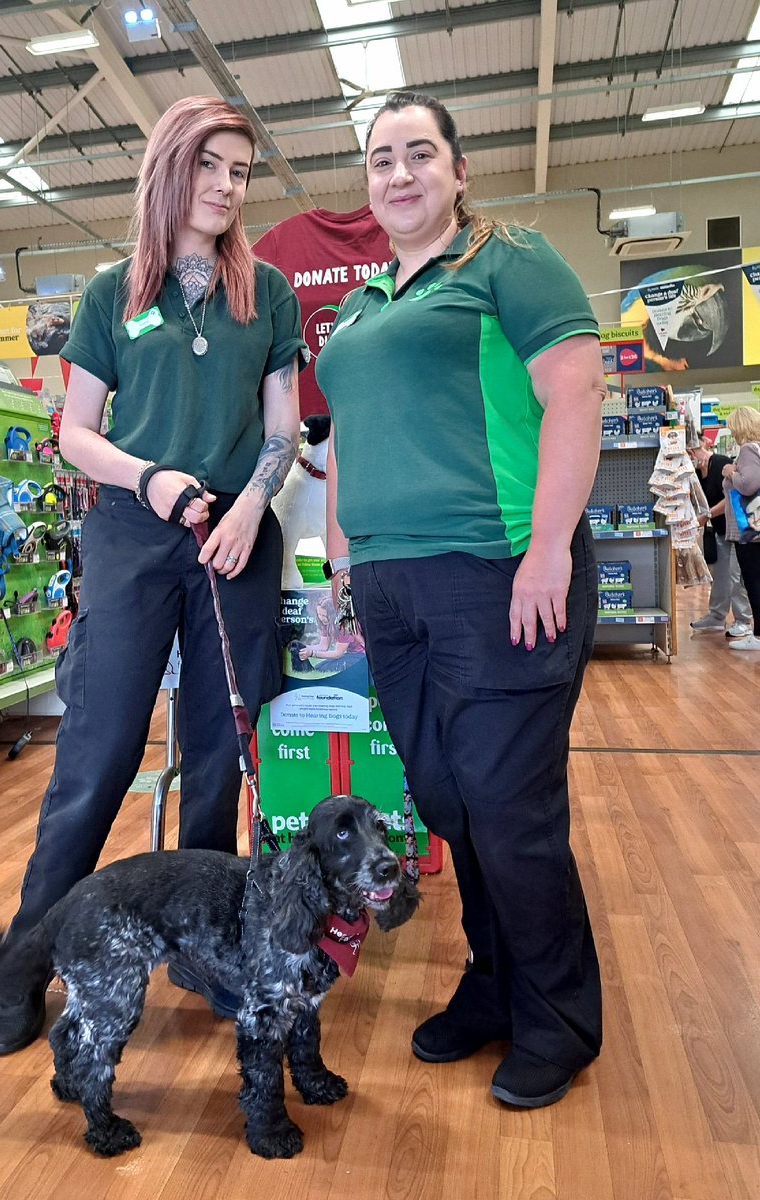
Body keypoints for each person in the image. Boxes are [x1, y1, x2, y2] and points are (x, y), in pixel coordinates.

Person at [0, 95, 305, 1055]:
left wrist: (252, 504)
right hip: (130, 531)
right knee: (96, 761)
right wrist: (149, 477)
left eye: (240, 172)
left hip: (234, 536)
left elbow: (283, 426)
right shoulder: (110, 291)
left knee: (216, 760)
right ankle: (21, 974)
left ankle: (206, 956)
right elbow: (76, 432)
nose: (225, 186)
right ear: (170, 168)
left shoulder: (269, 293)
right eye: (209, 165)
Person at [315, 91, 605, 1109]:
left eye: (419, 154)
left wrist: (549, 552)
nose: (399, 174)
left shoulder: (505, 258)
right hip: (390, 590)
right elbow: (343, 438)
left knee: (508, 809)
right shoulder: (356, 307)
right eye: (381, 159)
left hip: (498, 571)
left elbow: (576, 390)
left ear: (457, 169)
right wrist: (339, 559)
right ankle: (494, 984)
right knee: (444, 798)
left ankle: (559, 1020)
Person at [688, 439, 752, 639]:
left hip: (736, 529)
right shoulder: (698, 473)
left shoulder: (721, 464)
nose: (690, 459)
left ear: (697, 449)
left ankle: (743, 620)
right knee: (721, 576)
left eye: (691, 454)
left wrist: (706, 515)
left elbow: (731, 498)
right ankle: (717, 616)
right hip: (719, 530)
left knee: (735, 576)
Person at [722, 406, 760, 651]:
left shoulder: (747, 450)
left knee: (753, 582)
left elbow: (748, 484)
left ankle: (758, 636)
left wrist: (729, 473)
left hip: (750, 531)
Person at [298, 593, 366, 669]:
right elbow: (323, 647)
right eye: (319, 614)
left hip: (357, 656)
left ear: (332, 614)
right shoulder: (326, 623)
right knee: (316, 668)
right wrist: (303, 648)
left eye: (324, 615)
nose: (321, 618)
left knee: (324, 669)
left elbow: (338, 653)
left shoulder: (344, 624)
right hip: (345, 655)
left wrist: (312, 653)